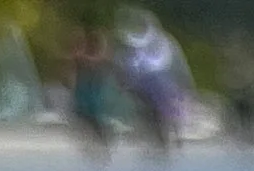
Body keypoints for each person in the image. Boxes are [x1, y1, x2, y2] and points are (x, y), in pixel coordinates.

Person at [114, 8, 192, 156]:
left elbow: (177, 65)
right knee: (146, 112)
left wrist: (184, 82)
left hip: (160, 88)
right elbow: (126, 66)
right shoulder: (133, 46)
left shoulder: (164, 43)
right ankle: (156, 139)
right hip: (144, 87)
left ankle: (164, 139)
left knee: (161, 114)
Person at [67, 28, 117, 159]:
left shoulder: (98, 60)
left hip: (92, 95)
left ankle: (101, 141)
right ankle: (97, 142)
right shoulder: (83, 59)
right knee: (85, 118)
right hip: (85, 94)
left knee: (92, 119)